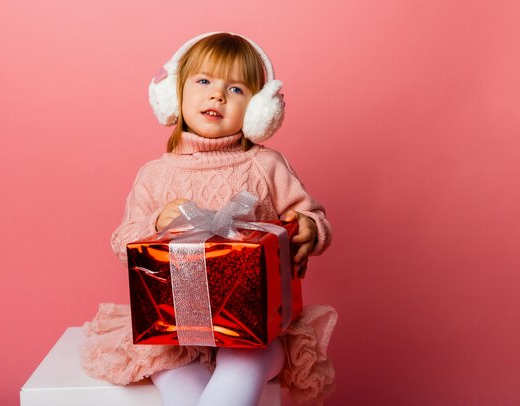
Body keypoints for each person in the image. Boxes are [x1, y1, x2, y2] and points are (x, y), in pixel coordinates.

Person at [80, 32, 337, 406]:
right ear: (174, 94)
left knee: (242, 365)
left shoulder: (266, 166)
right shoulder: (155, 174)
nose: (217, 95)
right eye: (203, 81)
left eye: (236, 89)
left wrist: (310, 229)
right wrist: (154, 223)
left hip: (256, 332)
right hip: (176, 334)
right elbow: (123, 244)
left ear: (258, 111)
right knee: (173, 374)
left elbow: (310, 215)